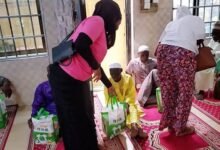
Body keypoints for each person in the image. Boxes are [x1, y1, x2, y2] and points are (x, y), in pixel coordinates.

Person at [48, 0, 121, 149]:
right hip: (65, 79)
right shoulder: (97, 21)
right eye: (118, 19)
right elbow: (81, 44)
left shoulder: (99, 28)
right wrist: (95, 67)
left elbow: (94, 61)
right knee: (73, 122)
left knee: (86, 116)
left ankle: (91, 146)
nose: (119, 23)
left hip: (77, 79)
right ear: (111, 15)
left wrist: (108, 85)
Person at [156, 6, 205, 136]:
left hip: (163, 51)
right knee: (185, 90)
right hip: (182, 52)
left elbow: (160, 42)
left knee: (169, 90)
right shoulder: (195, 19)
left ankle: (171, 124)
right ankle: (181, 127)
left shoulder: (171, 23)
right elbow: (201, 39)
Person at [104, 62, 147, 138]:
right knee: (121, 115)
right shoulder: (108, 82)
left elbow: (131, 93)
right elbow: (108, 98)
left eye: (116, 73)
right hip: (116, 105)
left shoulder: (128, 78)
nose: (113, 76)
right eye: (112, 74)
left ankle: (135, 126)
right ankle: (137, 128)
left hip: (128, 102)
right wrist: (120, 107)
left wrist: (126, 104)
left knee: (132, 108)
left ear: (121, 70)